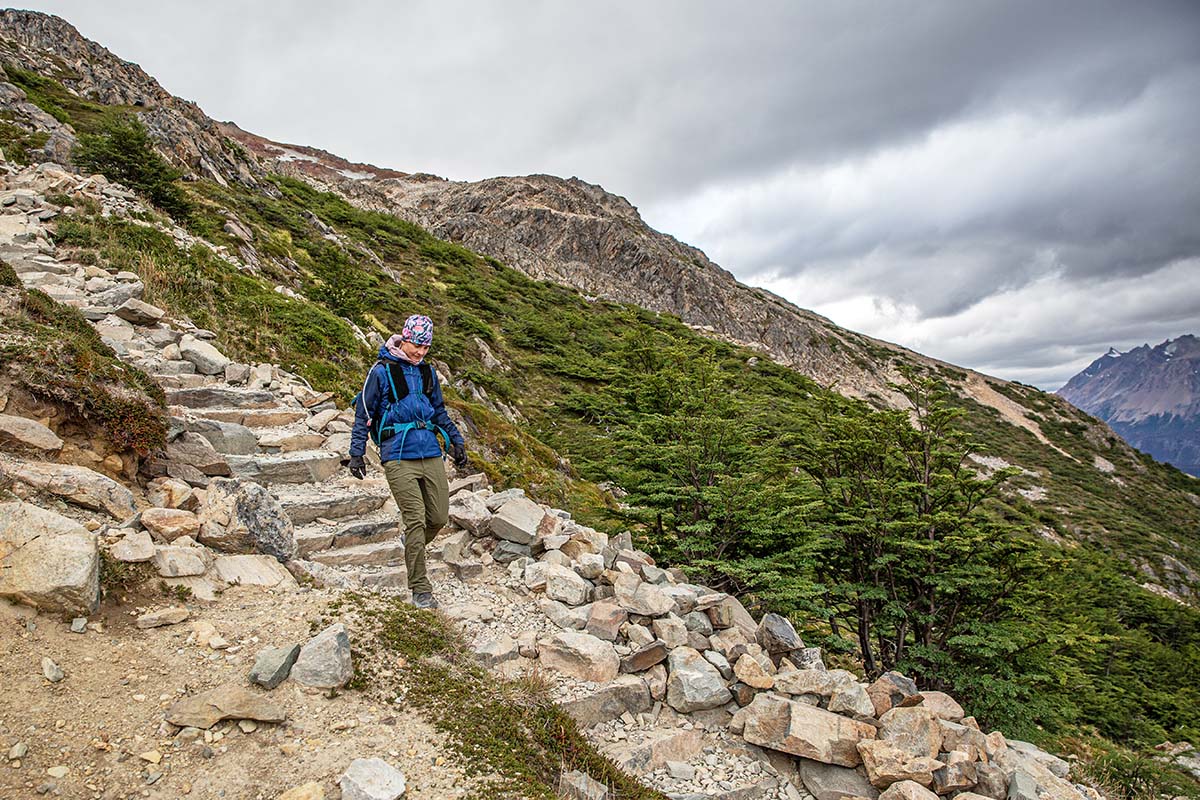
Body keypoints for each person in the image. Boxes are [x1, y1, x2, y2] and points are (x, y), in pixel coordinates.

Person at [348, 314, 467, 609]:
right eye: (417, 346)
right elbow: (364, 413)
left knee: (438, 518)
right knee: (415, 519)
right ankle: (420, 590)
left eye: (426, 348)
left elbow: (438, 412)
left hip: (429, 450)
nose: (420, 353)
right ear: (405, 338)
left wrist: (457, 442)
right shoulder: (382, 370)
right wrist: (356, 452)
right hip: (398, 454)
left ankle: (409, 543)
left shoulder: (426, 373)